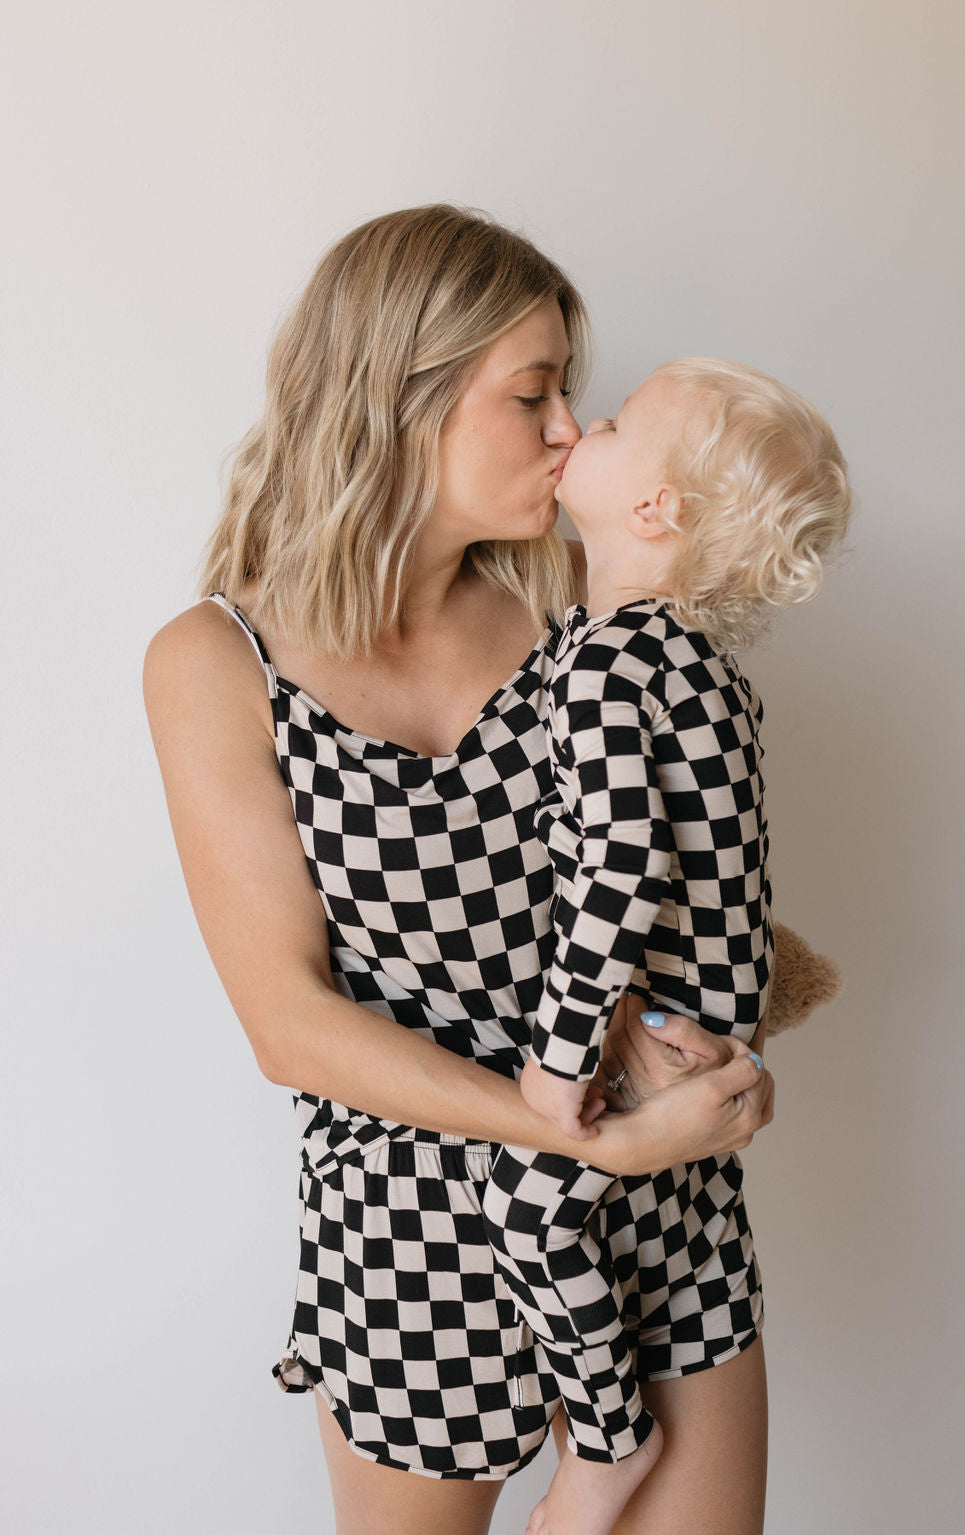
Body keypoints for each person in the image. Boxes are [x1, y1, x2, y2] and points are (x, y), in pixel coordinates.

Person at [143, 204, 775, 1535]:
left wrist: (717, 1041)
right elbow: (291, 1024)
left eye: (571, 396)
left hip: (658, 1205)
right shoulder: (217, 663)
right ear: (398, 397)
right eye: (533, 392)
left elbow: (693, 856)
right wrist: (572, 1126)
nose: (569, 431)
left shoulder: (583, 598)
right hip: (414, 1234)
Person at [481, 359, 851, 1535]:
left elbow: (625, 865)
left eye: (615, 421)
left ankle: (606, 1443)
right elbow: (726, 856)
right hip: (709, 1024)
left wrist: (562, 1047)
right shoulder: (706, 667)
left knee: (530, 1207)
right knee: (648, 1231)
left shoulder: (603, 660)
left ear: (653, 511)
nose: (584, 422)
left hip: (644, 1029)